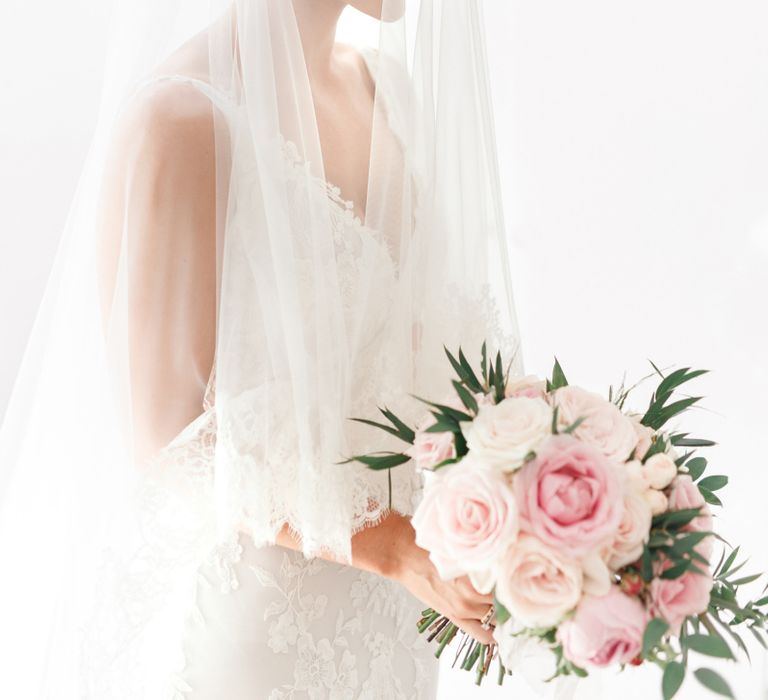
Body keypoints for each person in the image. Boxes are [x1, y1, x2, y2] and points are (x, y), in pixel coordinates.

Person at [0, 1, 523, 697]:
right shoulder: (182, 124)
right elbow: (170, 446)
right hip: (259, 640)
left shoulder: (387, 88)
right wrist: (392, 547)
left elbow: (420, 358)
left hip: (395, 631)